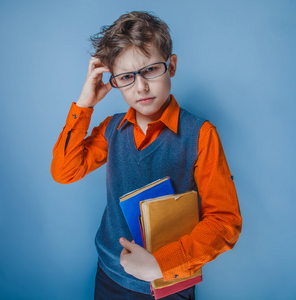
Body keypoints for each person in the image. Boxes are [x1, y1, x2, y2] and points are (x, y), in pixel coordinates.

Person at [51, 11, 242, 300]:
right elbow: (64, 171)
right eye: (126, 77)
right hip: (110, 276)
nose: (140, 87)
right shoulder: (111, 129)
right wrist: (85, 104)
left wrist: (161, 264)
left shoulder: (200, 134)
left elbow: (224, 220)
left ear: (172, 65)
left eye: (150, 70)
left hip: (168, 285)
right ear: (113, 80)